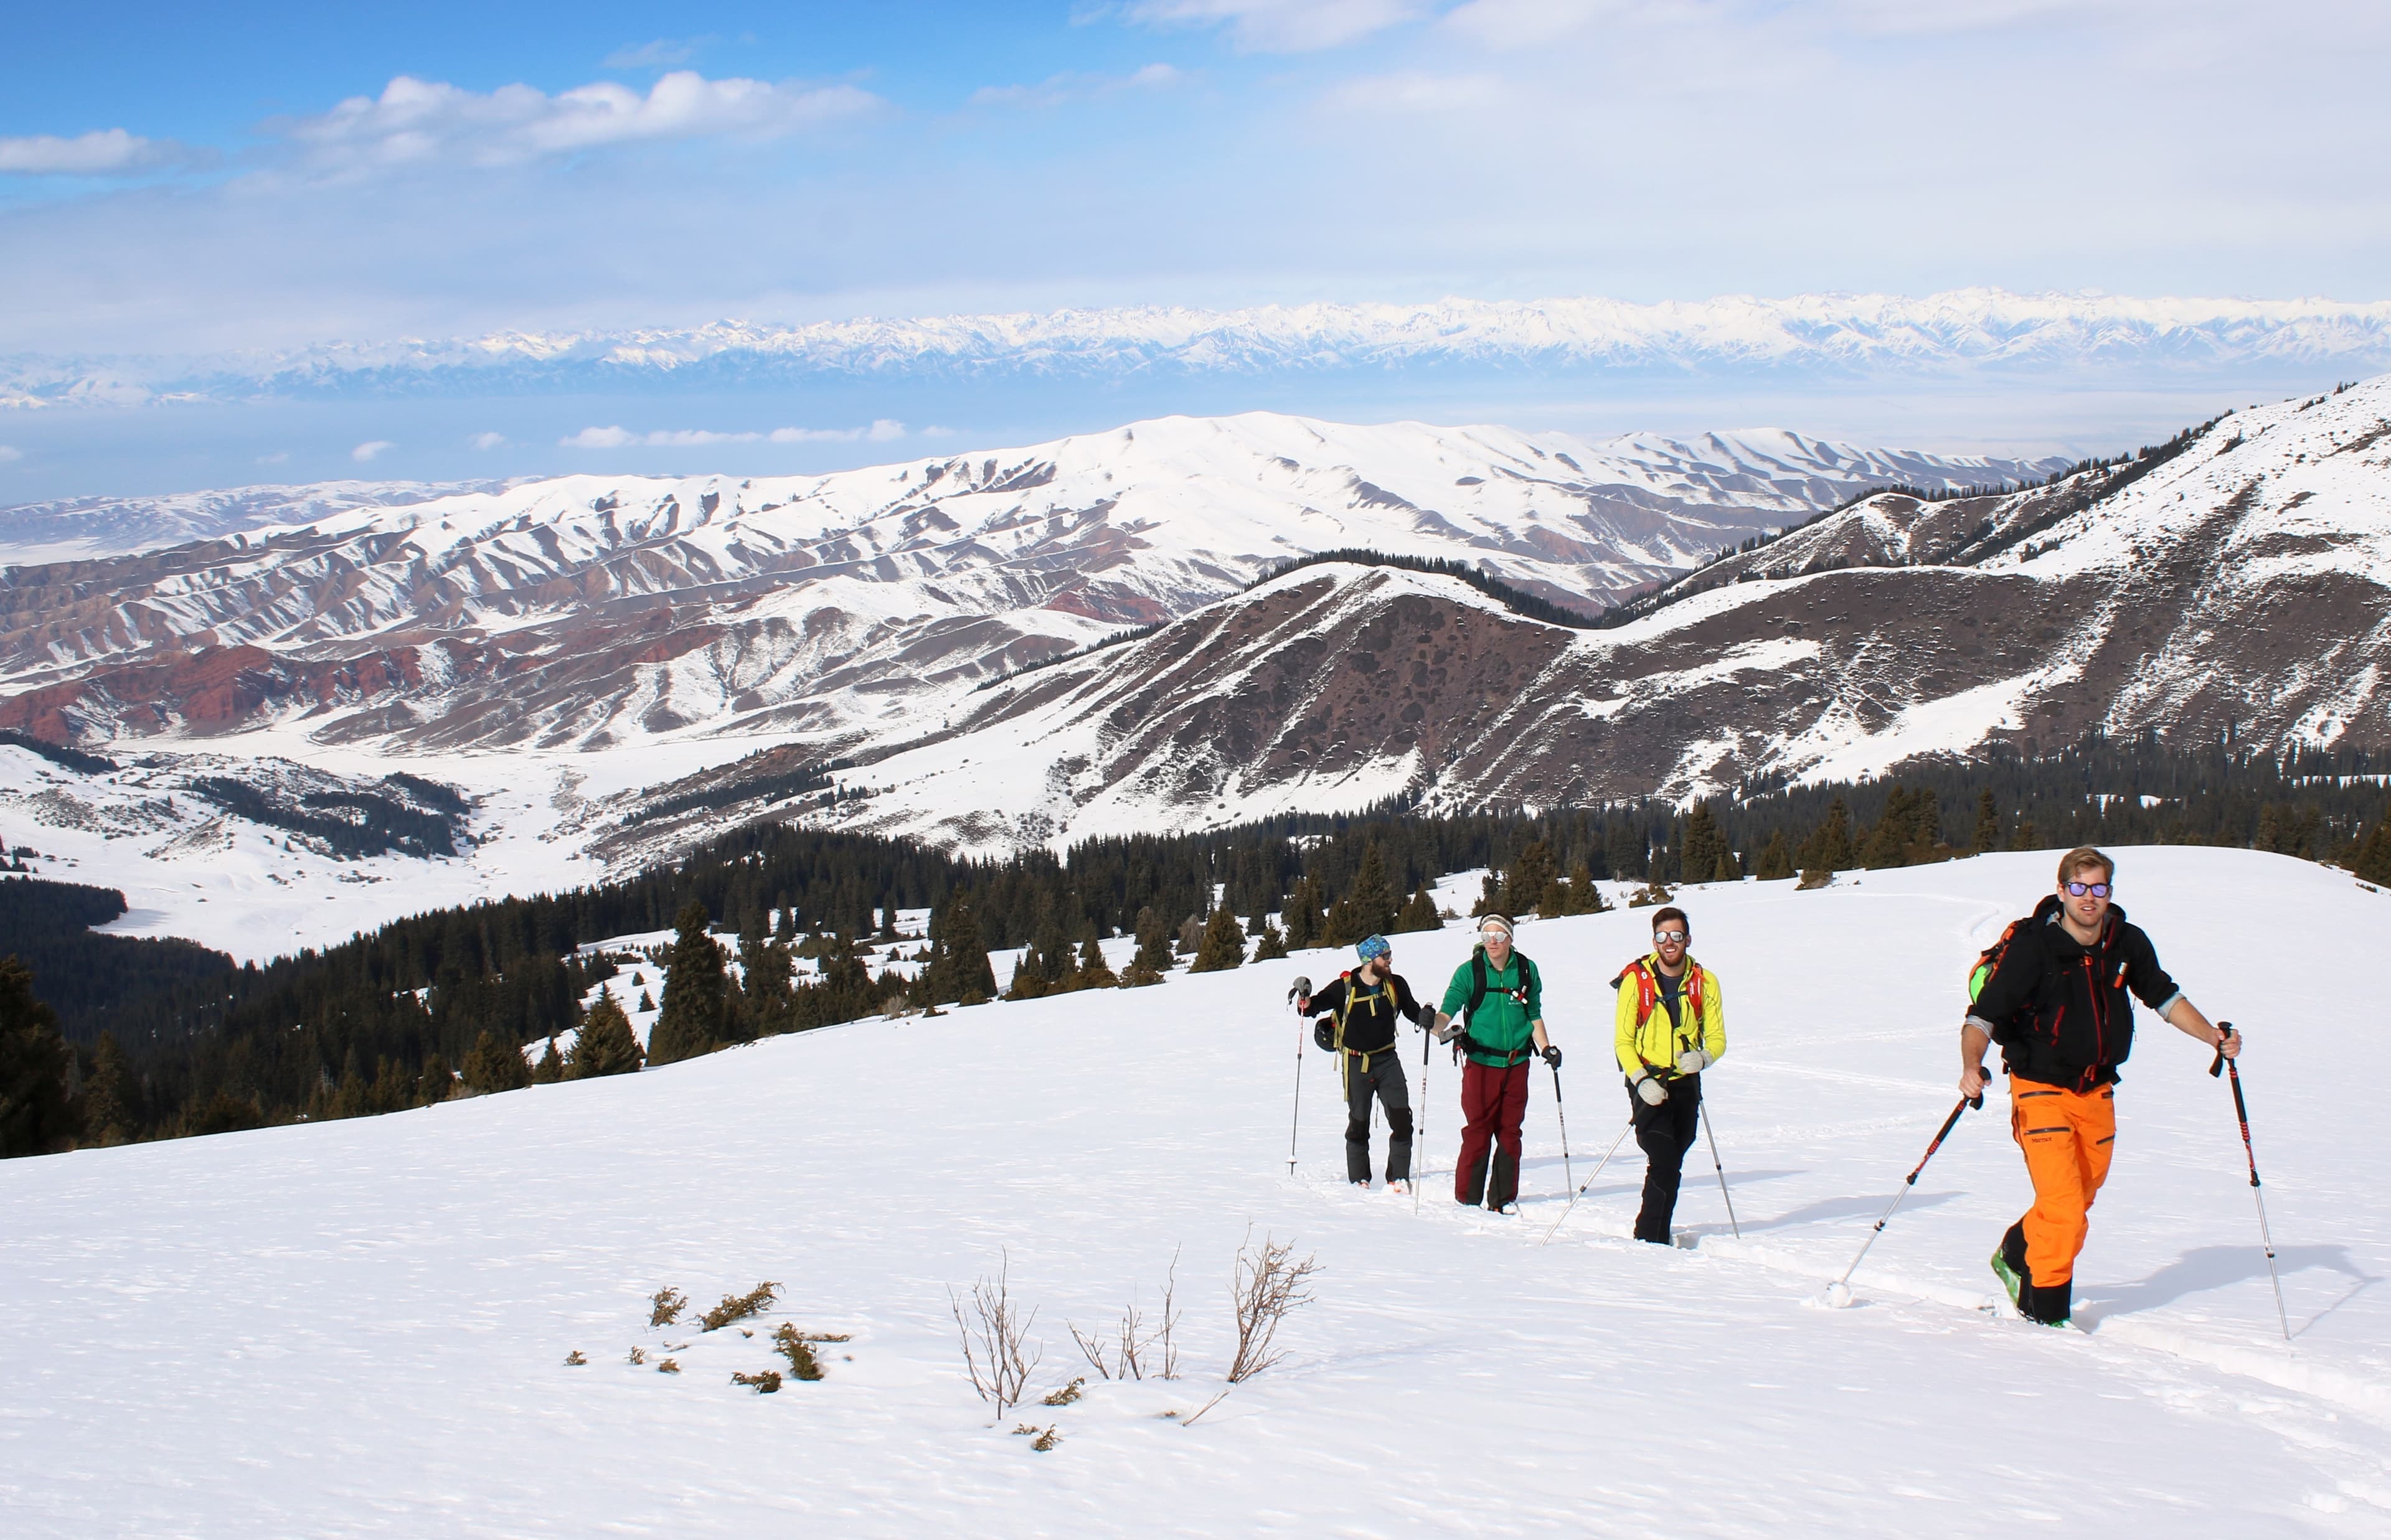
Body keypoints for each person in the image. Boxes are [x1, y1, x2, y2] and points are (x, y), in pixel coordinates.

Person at [1960, 846, 2240, 1327]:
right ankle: (2045, 1313)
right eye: (2079, 887)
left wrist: (2212, 1037)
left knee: (2077, 1196)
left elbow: (2165, 998)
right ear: (2062, 891)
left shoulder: (2126, 942)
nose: (2089, 898)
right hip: (2039, 1087)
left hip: (2097, 1091)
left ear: (2110, 892)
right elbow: (1983, 1017)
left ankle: (2016, 1250)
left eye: (2099, 888)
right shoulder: (2033, 948)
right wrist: (1971, 1066)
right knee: (2066, 1207)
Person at [1611, 906, 1726, 1244]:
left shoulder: (1705, 982)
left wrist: (1704, 1058)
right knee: (1662, 1155)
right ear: (1654, 941)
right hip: (1648, 1082)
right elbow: (1623, 1041)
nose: (1669, 943)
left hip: (1685, 1083)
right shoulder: (1637, 980)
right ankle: (1650, 1236)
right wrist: (1641, 1080)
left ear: (1687, 939)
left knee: (1677, 1152)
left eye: (1676, 936)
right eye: (1662, 937)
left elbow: (1718, 1037)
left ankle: (1658, 1230)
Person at [1298, 935, 1440, 1191]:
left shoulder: (1395, 985)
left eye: (1389, 955)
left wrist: (1425, 1016)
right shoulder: (1345, 987)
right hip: (1356, 1064)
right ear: (1368, 960)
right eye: (1385, 956)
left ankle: (1398, 1176)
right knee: (1359, 1121)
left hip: (1388, 1060)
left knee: (1401, 1119)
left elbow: (1412, 1012)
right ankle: (1359, 1179)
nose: (1390, 960)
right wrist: (1304, 1002)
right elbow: (1314, 1006)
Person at [1439, 914, 1557, 1212]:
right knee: (1478, 1129)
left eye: (1499, 935)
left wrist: (1546, 1048)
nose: (1493, 941)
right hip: (1481, 1063)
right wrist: (1434, 1022)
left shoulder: (1527, 971)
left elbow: (1534, 1014)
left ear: (1510, 938)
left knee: (1510, 1131)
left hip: (1518, 1062)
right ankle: (1467, 1200)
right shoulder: (1470, 973)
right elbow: (1448, 1010)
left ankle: (1503, 1200)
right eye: (1486, 934)